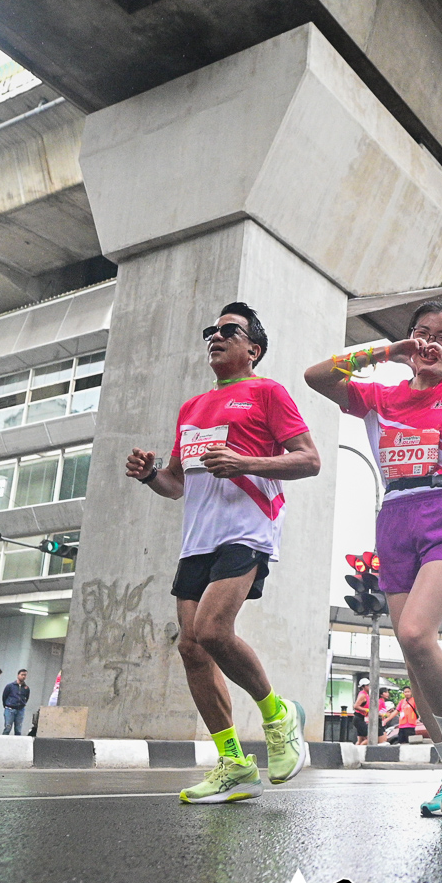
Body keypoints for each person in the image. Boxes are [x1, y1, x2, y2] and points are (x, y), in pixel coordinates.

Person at [304, 299, 442, 816]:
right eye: (421, 333)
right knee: (413, 655)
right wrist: (386, 351)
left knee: (415, 633)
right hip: (396, 516)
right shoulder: (380, 395)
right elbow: (316, 377)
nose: (429, 343)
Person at [126, 302, 317, 804]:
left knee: (213, 630)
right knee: (192, 647)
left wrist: (244, 462)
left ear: (253, 349)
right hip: (198, 539)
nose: (216, 336)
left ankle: (278, 716)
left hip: (247, 529)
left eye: (229, 331)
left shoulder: (268, 392)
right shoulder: (191, 408)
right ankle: (234, 764)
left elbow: (309, 460)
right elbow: (176, 484)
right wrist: (150, 475)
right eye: (212, 330)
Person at [1, 669, 31, 735]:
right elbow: (4, 696)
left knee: (18, 728)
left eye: (25, 675)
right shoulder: (10, 686)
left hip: (20, 709)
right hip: (10, 708)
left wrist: (22, 704)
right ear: (18, 675)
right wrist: (7, 705)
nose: (23, 676)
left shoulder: (26, 688)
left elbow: (26, 697)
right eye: (22, 675)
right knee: (7, 727)